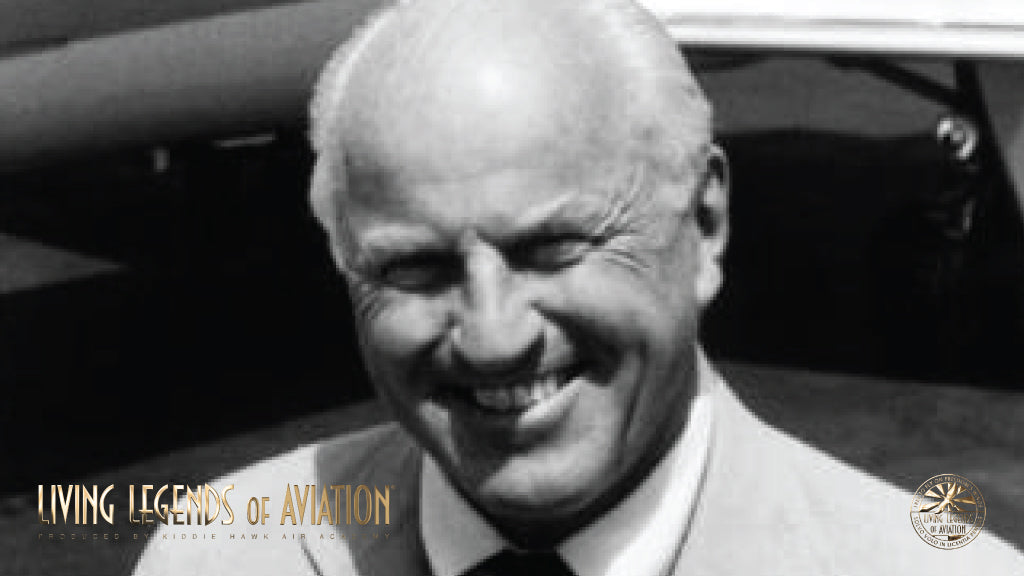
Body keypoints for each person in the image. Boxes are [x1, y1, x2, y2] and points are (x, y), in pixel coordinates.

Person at [134, 0, 1024, 574]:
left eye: (554, 247)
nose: (493, 337)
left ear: (705, 221)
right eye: (415, 268)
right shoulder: (220, 552)